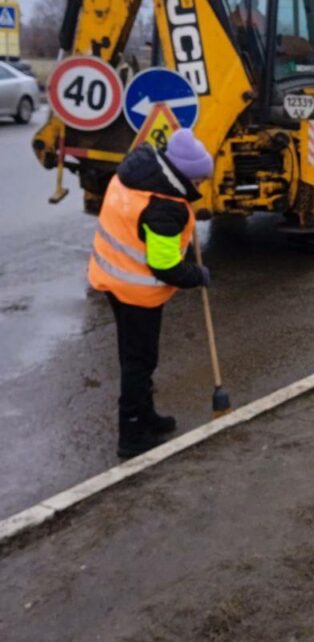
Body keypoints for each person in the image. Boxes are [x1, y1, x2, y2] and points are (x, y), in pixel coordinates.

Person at [88, 129, 214, 459]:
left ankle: (146, 415)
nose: (199, 188)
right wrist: (197, 275)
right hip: (133, 291)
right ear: (185, 175)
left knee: (141, 357)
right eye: (198, 181)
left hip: (113, 277)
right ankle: (131, 434)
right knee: (138, 362)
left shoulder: (138, 173)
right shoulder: (164, 208)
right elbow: (165, 266)